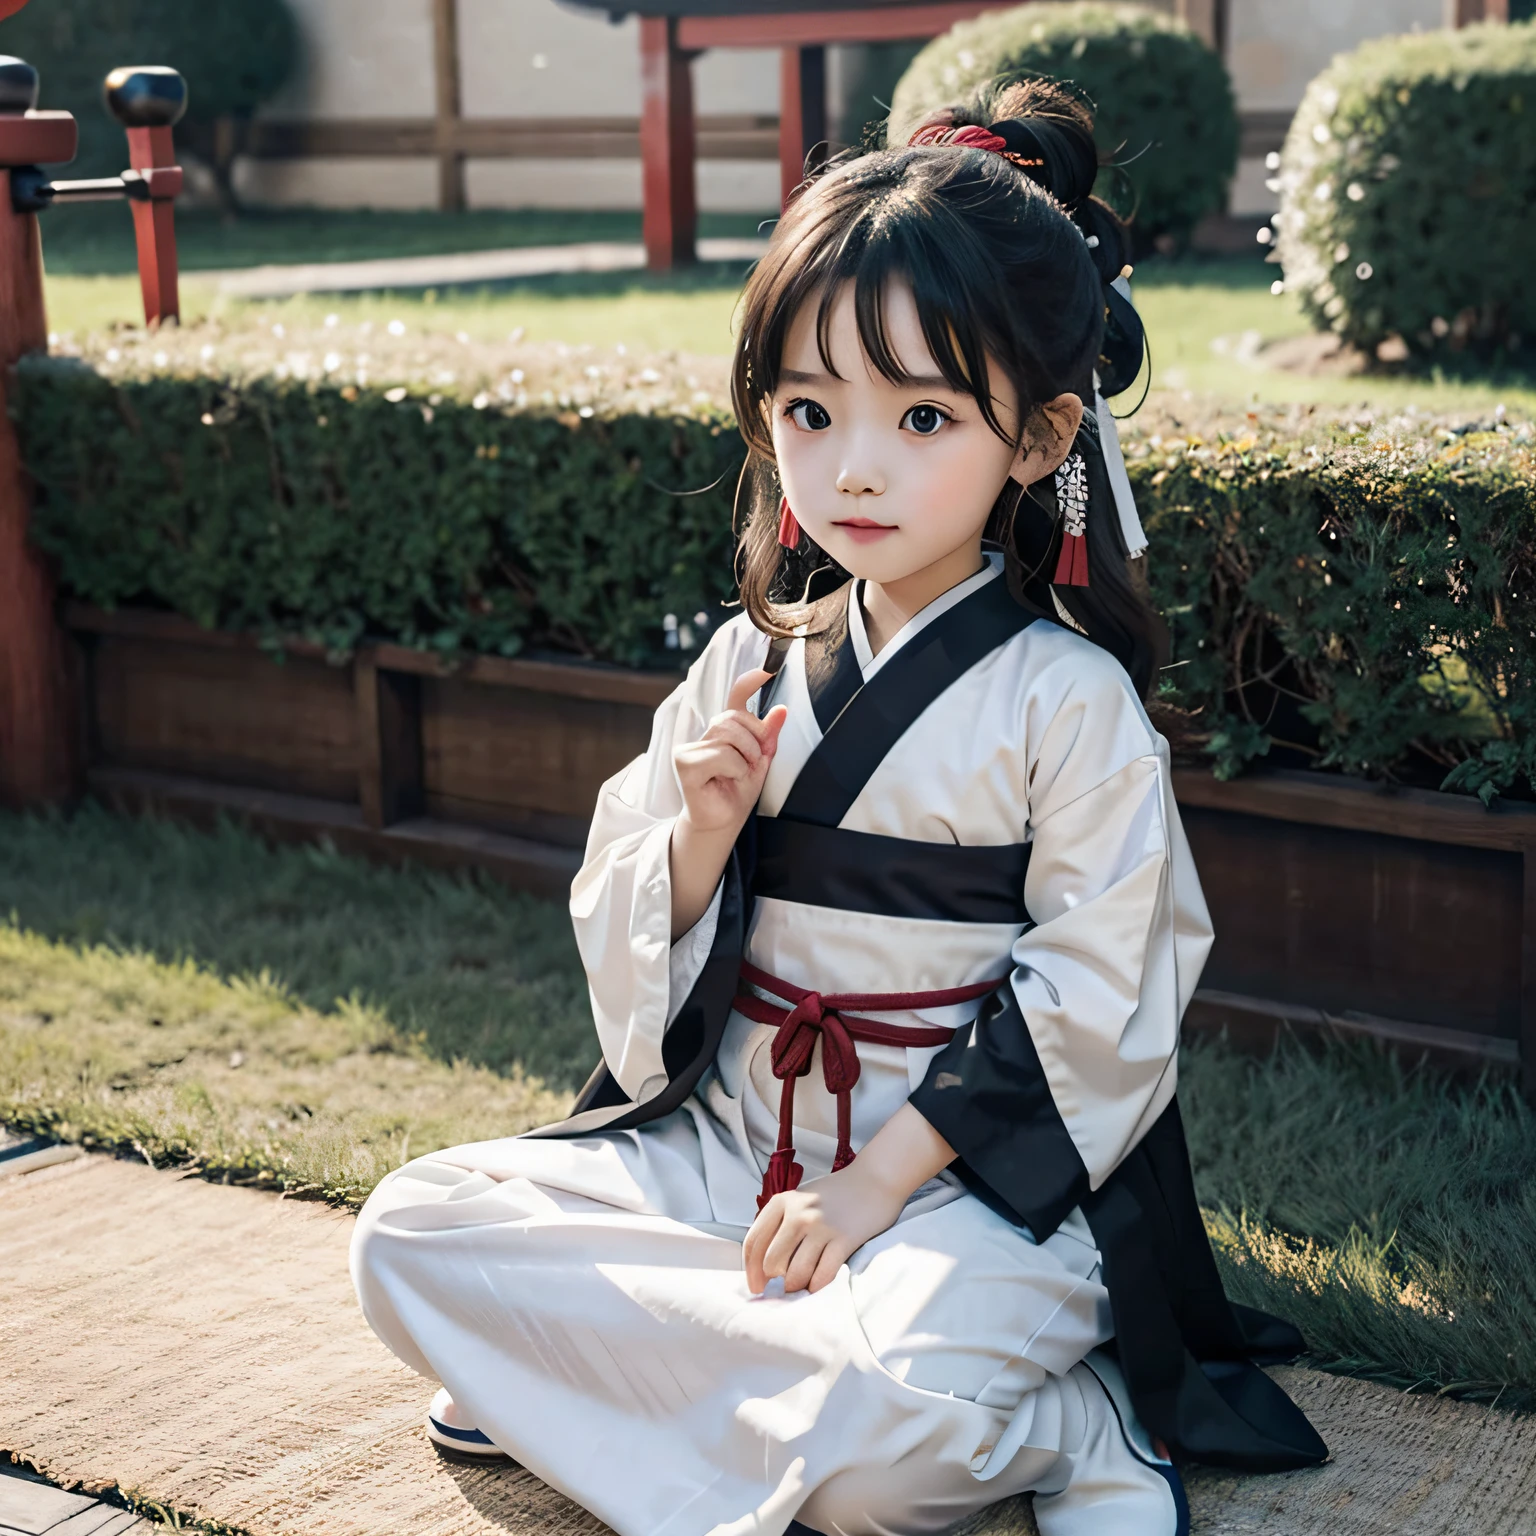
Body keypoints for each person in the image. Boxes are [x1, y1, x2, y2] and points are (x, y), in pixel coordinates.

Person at [350, 76, 1326, 1536]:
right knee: (409, 1233)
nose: (853, 466)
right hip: (738, 1148)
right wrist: (694, 840)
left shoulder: (1070, 706)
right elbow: (632, 937)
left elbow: (1100, 996)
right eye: (811, 407)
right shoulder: (752, 660)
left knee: (882, 1468)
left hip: (963, 1190)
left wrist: (873, 1192)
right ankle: (762, 1380)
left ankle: (1045, 1413)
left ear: (1044, 437)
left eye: (924, 413)